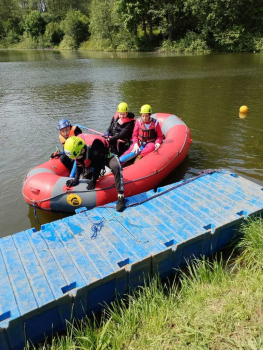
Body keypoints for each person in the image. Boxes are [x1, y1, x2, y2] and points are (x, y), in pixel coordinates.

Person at [64, 135, 125, 212]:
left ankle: (121, 197)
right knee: (87, 174)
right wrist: (76, 179)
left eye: (77, 156)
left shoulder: (94, 151)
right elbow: (78, 163)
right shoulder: (77, 147)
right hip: (91, 156)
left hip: (105, 155)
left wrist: (93, 181)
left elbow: (98, 166)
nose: (76, 158)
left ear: (82, 150)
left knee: (116, 166)